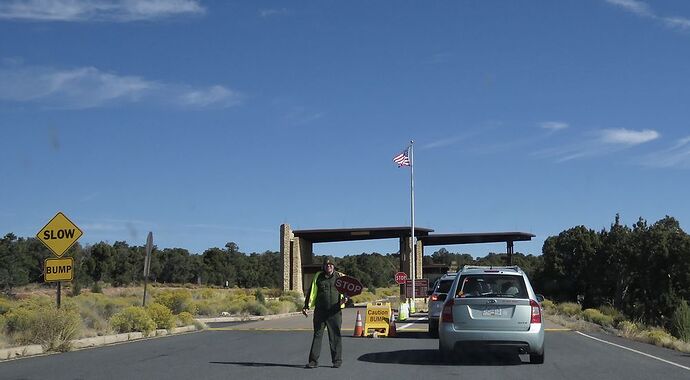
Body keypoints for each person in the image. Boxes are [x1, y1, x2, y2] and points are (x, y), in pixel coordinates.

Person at [302, 257, 348, 369]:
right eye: (327, 265)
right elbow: (311, 291)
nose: (329, 266)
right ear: (324, 266)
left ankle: (337, 361)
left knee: (335, 336)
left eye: (331, 264)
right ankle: (313, 361)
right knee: (317, 335)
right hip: (320, 312)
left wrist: (346, 298)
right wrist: (306, 306)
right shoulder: (318, 276)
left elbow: (348, 291)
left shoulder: (340, 277)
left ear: (334, 266)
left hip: (335, 312)